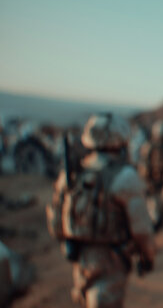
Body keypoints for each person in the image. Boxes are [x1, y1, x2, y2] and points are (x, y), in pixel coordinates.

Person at [46, 113, 155, 308]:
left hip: (80, 259)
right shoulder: (126, 176)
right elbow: (141, 230)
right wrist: (148, 256)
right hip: (111, 260)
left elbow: (55, 221)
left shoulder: (72, 174)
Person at [138, 120, 163, 231]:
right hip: (152, 183)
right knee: (153, 208)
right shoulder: (149, 147)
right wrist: (147, 181)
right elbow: (144, 166)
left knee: (161, 208)